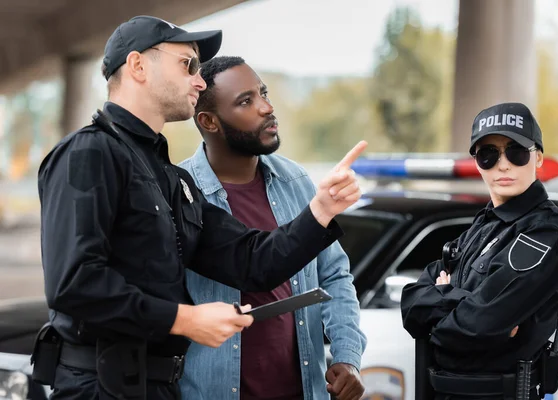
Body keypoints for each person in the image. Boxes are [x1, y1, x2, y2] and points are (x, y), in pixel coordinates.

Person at [35, 16, 367, 400]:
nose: (198, 79)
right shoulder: (89, 152)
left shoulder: (171, 179)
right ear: (138, 66)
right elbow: (74, 283)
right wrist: (187, 319)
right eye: (187, 65)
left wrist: (321, 210)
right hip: (99, 387)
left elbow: (252, 261)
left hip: (155, 386)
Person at [177, 56, 367, 400]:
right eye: (246, 101)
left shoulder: (295, 181)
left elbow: (335, 276)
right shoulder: (180, 193)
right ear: (209, 121)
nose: (267, 107)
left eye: (262, 93)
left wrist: (347, 356)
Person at [400, 102, 558, 400]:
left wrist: (441, 303)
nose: (503, 164)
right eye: (488, 154)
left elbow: (481, 325)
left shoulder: (546, 231)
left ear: (538, 159)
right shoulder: (484, 223)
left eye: (516, 152)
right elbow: (411, 304)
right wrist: (462, 304)